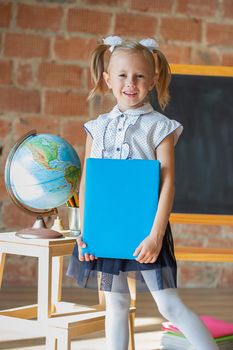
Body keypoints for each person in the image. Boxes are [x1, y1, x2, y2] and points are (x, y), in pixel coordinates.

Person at [67, 36, 219, 350]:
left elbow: (167, 184)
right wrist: (85, 231)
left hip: (147, 231)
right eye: (122, 75)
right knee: (116, 305)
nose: (130, 83)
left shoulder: (160, 127)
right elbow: (89, 183)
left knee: (168, 305)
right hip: (105, 231)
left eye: (139, 76)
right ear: (108, 79)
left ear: (152, 81)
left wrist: (155, 235)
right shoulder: (96, 128)